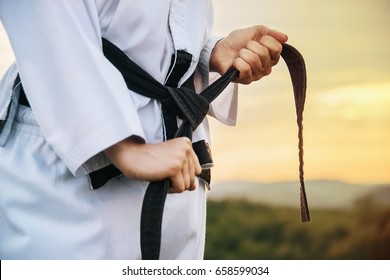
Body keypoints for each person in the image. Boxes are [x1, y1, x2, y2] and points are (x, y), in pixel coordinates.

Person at [0, 0, 287, 259]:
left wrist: (209, 53)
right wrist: (121, 145)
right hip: (69, 176)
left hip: (177, 160)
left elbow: (143, 29)